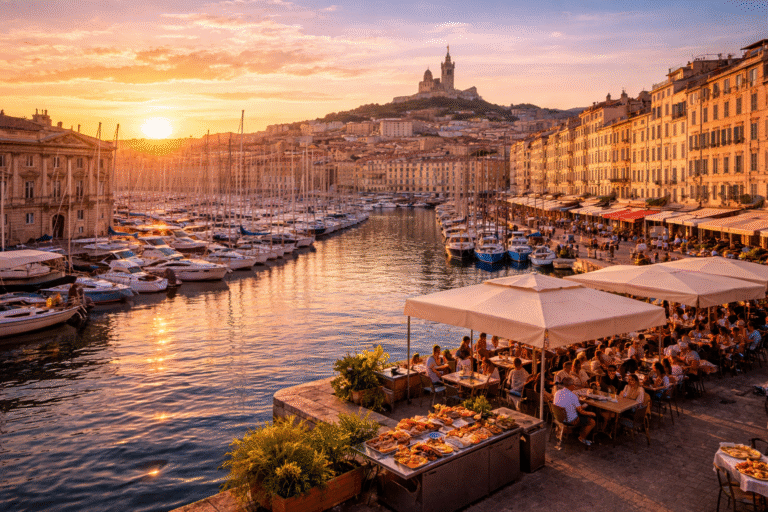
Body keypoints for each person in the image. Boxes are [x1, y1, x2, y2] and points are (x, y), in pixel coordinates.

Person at [553, 377, 596, 446]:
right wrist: (591, 413)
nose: (574, 386)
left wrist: (582, 406)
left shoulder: (557, 392)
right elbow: (581, 411)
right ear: (571, 385)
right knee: (592, 421)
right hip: (570, 420)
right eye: (574, 384)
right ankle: (582, 437)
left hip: (558, 417)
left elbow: (569, 405)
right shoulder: (573, 396)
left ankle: (577, 432)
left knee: (582, 415)